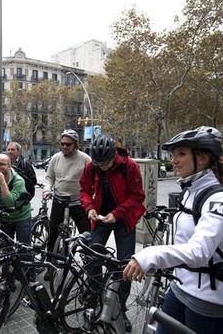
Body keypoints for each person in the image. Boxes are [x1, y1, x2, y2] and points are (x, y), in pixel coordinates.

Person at [123, 126, 223, 334]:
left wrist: (150, 255)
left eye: (181, 154)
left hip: (211, 300)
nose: (174, 160)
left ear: (203, 158)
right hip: (181, 287)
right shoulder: (190, 191)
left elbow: (199, 252)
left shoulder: (220, 200)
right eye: (173, 154)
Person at [79, 135, 146, 332]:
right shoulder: (92, 167)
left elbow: (138, 196)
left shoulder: (129, 166)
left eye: (106, 163)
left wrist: (116, 214)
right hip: (100, 217)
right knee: (92, 257)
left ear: (113, 155)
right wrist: (89, 207)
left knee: (125, 265)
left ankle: (119, 309)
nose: (102, 167)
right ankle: (95, 296)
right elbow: (83, 189)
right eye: (98, 163)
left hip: (123, 219)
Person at [42, 129, 91, 280]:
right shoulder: (56, 158)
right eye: (62, 144)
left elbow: (93, 179)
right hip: (58, 200)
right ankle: (50, 266)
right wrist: (47, 189)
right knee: (53, 234)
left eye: (68, 144)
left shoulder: (85, 159)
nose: (64, 147)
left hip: (77, 202)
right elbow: (49, 177)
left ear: (75, 144)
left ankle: (90, 266)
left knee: (86, 235)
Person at [0, 153, 35, 282]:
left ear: (9, 165)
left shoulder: (18, 180)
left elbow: (9, 202)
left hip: (21, 217)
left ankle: (31, 281)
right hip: (5, 217)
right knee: (5, 250)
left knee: (25, 249)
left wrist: (2, 183)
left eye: (2, 164)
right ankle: (7, 278)